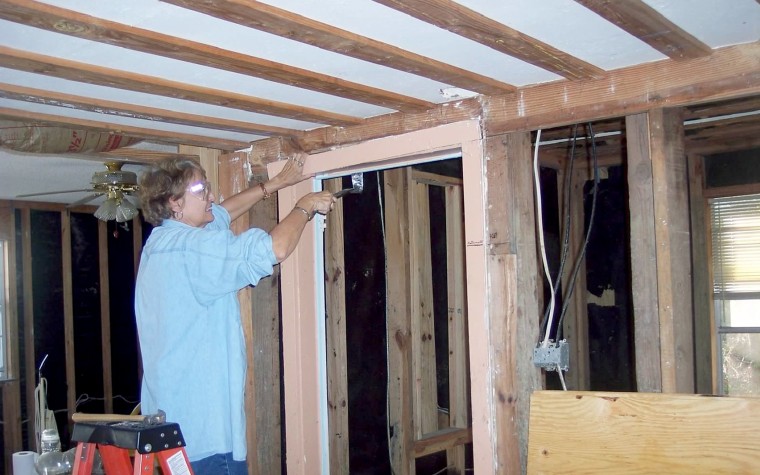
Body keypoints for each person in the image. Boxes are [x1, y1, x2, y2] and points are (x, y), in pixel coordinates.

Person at [134, 154, 334, 475]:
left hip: (168, 426)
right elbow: (275, 250)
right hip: (207, 437)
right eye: (201, 190)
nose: (211, 197)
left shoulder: (160, 243)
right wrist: (304, 206)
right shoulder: (196, 249)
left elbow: (222, 213)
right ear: (174, 202)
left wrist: (275, 185)